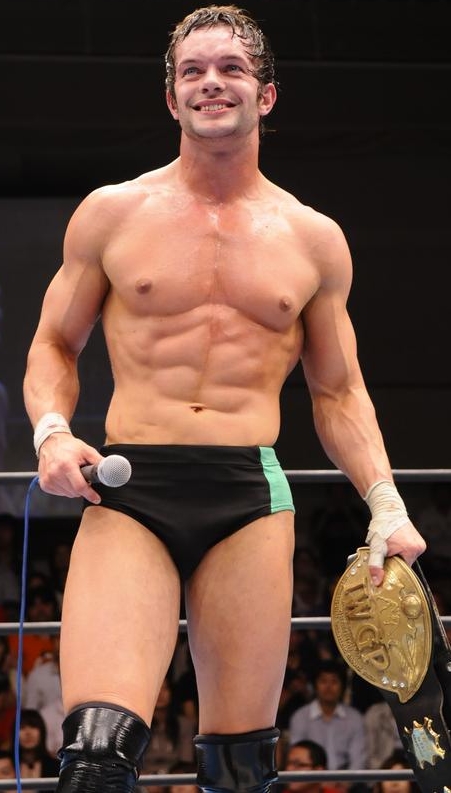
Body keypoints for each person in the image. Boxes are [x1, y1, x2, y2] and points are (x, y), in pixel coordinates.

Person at [22, 5, 426, 793]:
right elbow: (53, 345)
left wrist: (383, 501)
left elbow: (337, 389)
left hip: (249, 496)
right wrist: (51, 431)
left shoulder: (312, 238)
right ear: (171, 98)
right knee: (95, 758)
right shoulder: (111, 213)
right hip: (131, 488)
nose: (211, 82)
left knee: (240, 771)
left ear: (265, 94)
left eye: (231, 68)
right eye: (192, 71)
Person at [289, 661, 367, 772]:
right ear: (315, 685)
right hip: (310, 778)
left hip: (345, 780)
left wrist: (346, 781)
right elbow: (297, 756)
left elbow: (358, 760)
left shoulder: (355, 718)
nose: (328, 687)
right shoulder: (300, 717)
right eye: (323, 681)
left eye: (334, 681)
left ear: (342, 687)